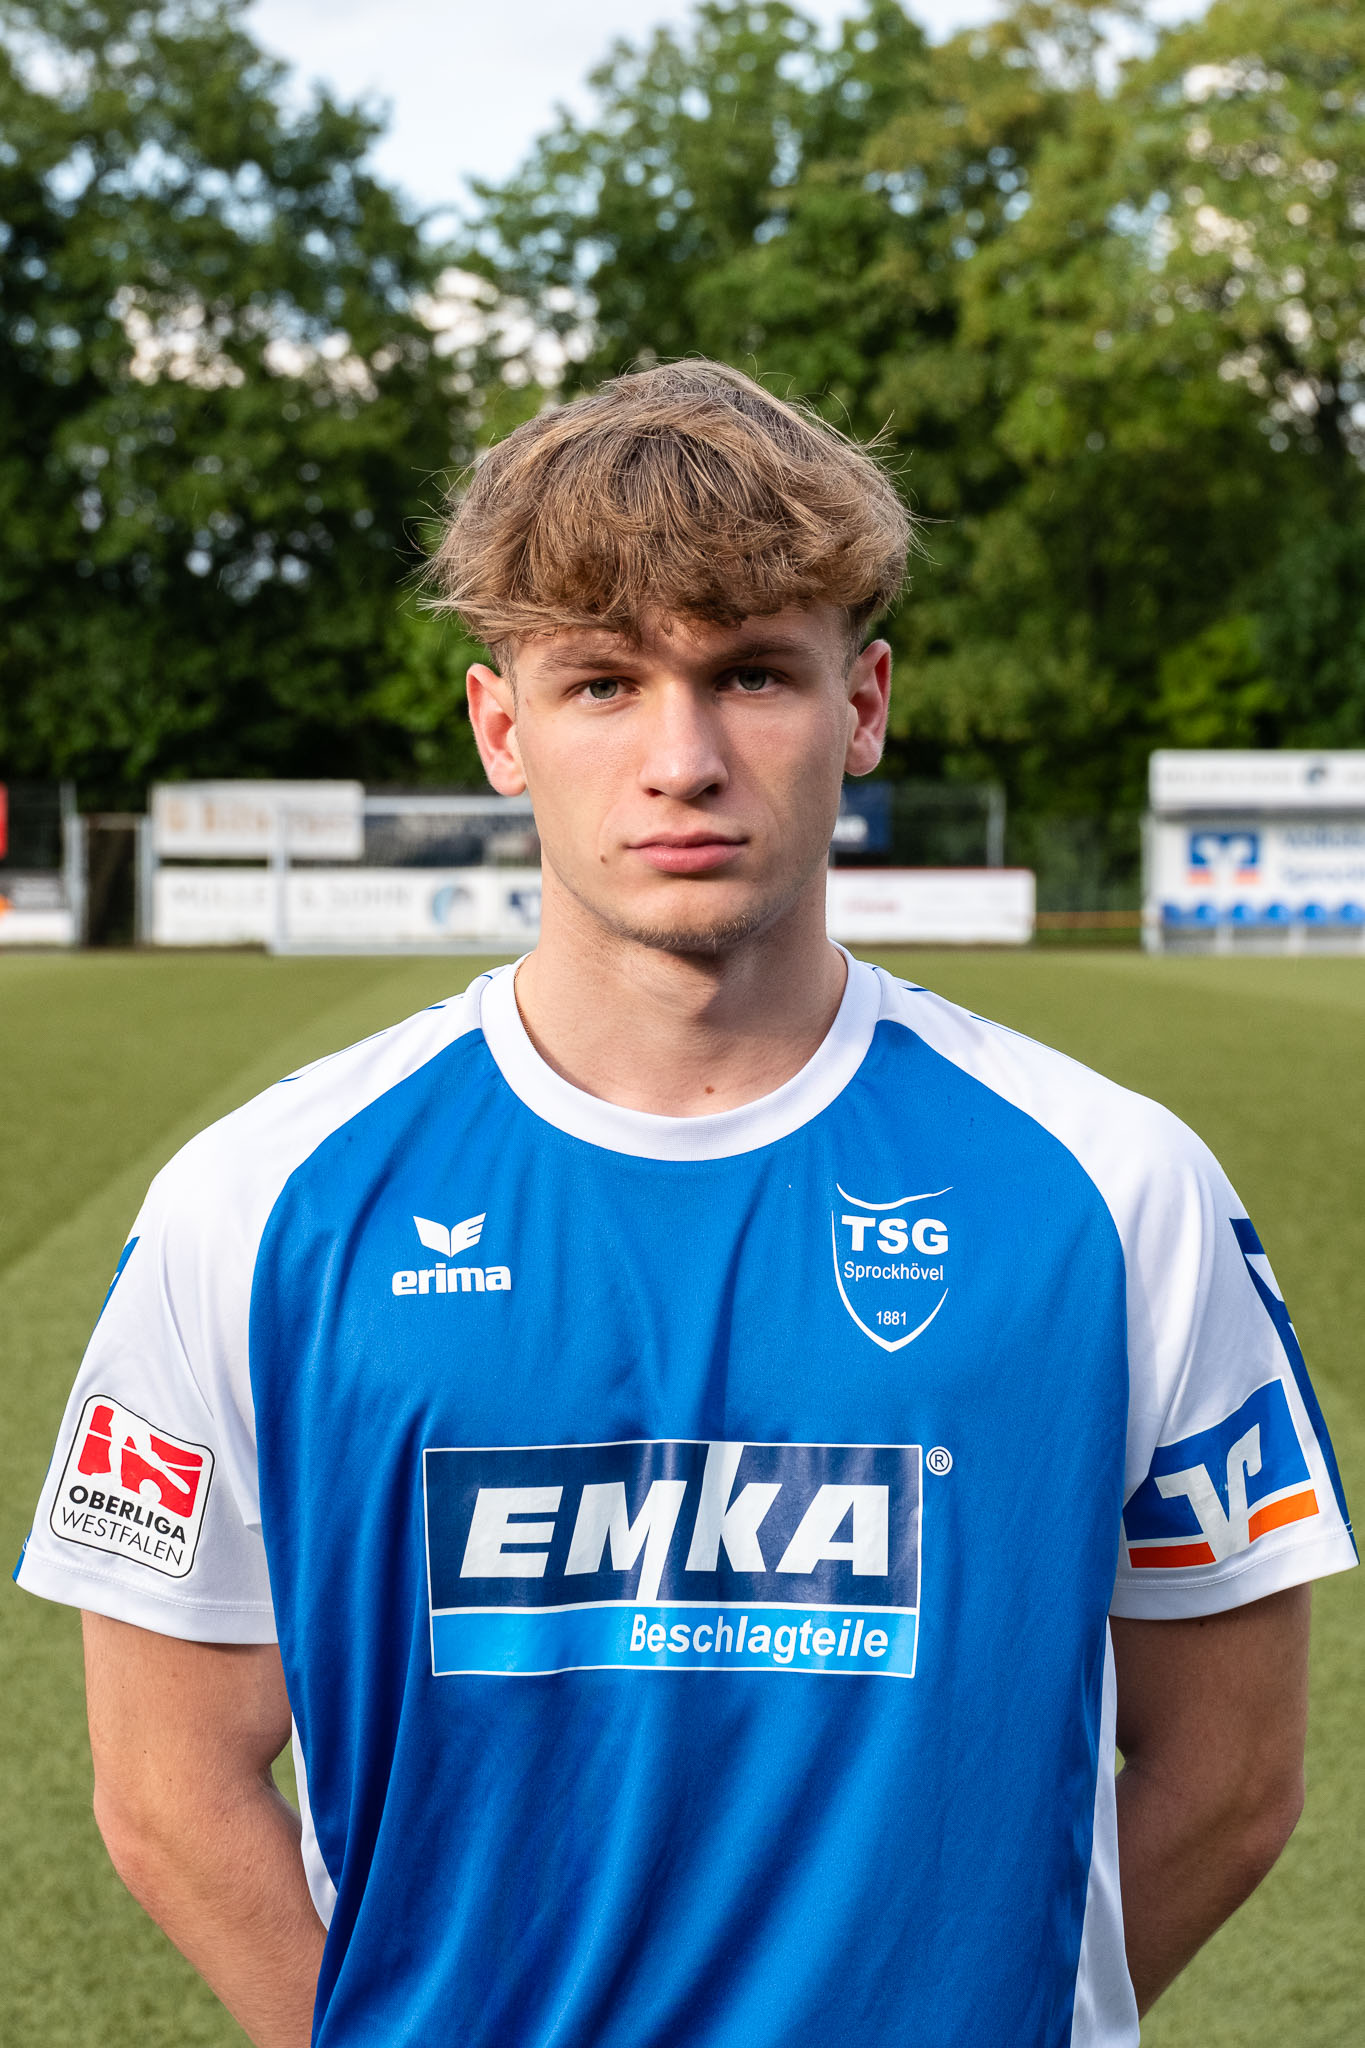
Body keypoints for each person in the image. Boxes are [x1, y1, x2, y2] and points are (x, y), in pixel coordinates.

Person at [14, 361, 1355, 2048]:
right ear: (501, 728)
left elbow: (1228, 1777)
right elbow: (167, 1786)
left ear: (862, 705)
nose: (681, 759)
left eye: (751, 675)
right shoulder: (254, 1204)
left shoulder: (1118, 1191)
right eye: (601, 682)